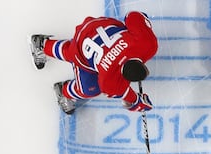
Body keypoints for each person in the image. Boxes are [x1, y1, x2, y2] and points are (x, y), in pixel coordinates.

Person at [29, 11, 158, 114]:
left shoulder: (147, 44)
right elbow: (126, 96)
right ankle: (63, 91)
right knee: (89, 87)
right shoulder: (110, 82)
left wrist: (144, 27)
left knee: (76, 50)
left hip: (98, 26)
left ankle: (42, 44)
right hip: (83, 43)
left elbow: (134, 15)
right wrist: (136, 104)